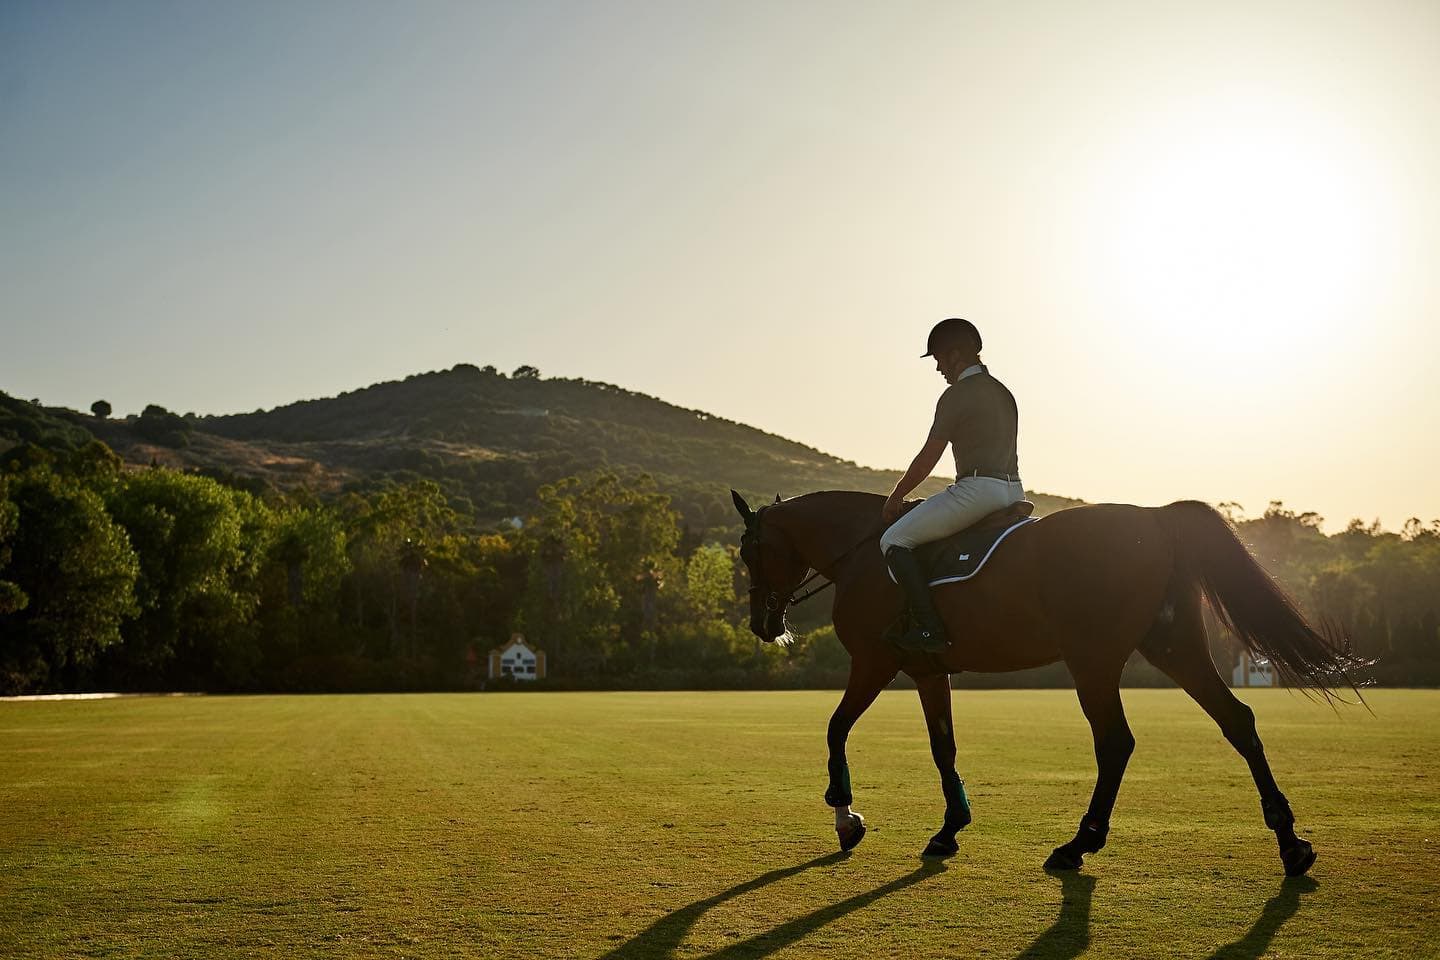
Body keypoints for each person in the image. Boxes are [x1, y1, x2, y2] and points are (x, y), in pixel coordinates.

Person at [880, 318, 1025, 652]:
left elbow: (928, 458)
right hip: (1014, 490)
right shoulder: (1003, 391)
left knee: (893, 540)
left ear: (955, 355)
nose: (938, 368)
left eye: (939, 359)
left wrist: (897, 495)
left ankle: (929, 628)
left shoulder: (956, 394)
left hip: (978, 490)